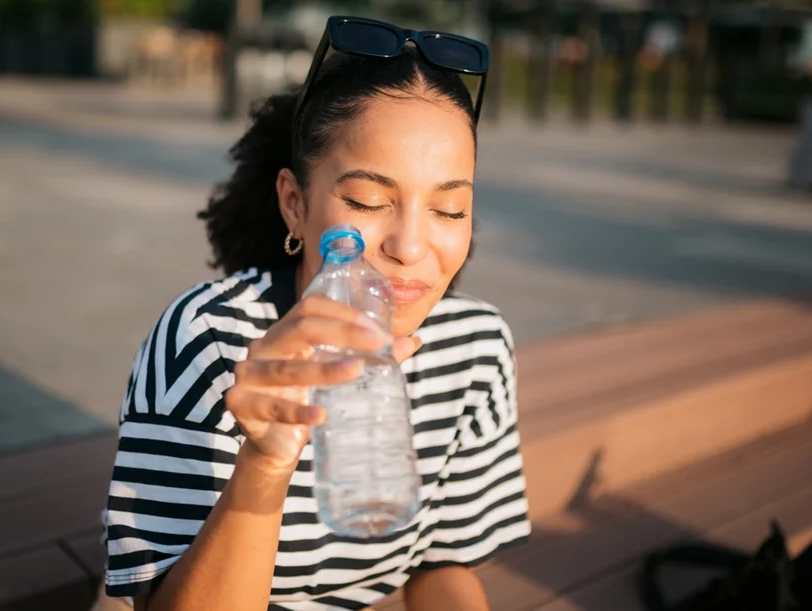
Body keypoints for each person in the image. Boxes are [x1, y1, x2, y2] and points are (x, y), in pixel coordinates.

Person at [99, 15, 530, 611]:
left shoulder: (475, 348)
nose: (409, 247)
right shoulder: (207, 344)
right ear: (295, 205)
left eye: (450, 209)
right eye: (367, 201)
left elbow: (443, 565)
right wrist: (265, 462)